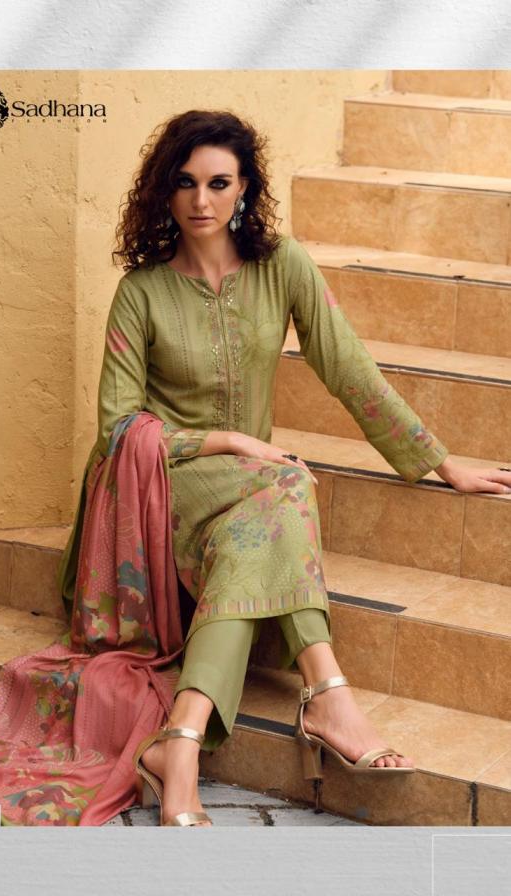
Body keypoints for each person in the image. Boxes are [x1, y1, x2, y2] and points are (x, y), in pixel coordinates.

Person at [58, 108, 511, 827]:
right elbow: (118, 430)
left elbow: (346, 366)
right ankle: (327, 696)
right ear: (163, 191)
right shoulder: (141, 291)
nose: (200, 200)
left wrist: (436, 459)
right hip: (160, 486)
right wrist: (230, 442)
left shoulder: (282, 266)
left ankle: (180, 744)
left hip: (251, 495)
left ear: (245, 188)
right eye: (184, 182)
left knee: (269, 510)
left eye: (218, 182)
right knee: (287, 484)